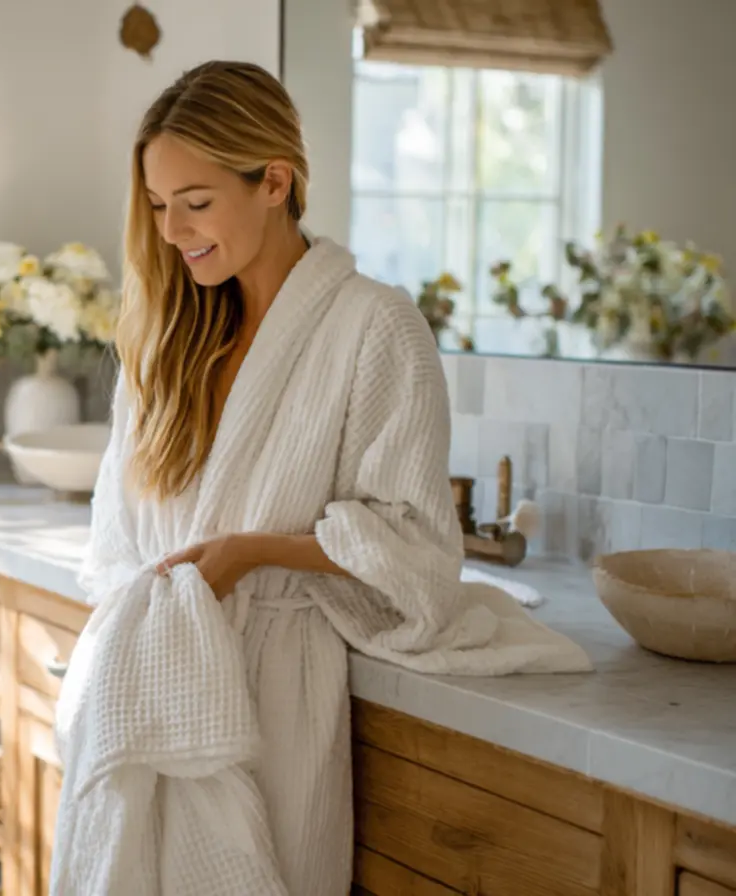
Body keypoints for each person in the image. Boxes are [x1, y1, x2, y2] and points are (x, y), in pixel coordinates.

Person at [48, 60, 590, 895]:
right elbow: (117, 537)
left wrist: (249, 552)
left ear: (275, 180)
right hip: (155, 676)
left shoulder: (374, 326)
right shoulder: (164, 335)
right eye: (158, 206)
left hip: (276, 689)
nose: (171, 231)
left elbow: (413, 541)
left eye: (195, 203)